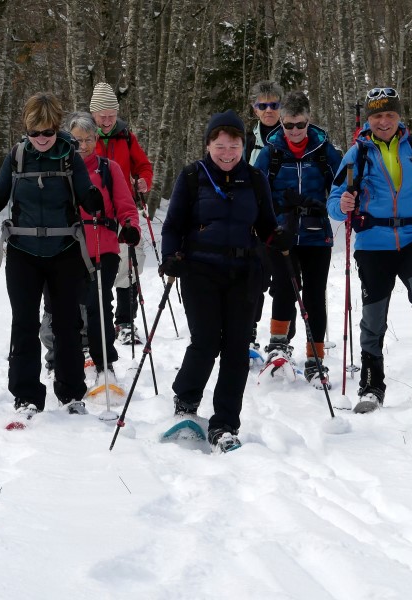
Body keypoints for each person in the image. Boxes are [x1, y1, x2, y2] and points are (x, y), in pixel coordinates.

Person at [160, 109, 289, 451]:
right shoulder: (192, 176)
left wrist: (278, 236)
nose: (227, 153)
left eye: (234, 146)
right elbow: (173, 225)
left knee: (236, 348)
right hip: (199, 271)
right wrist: (170, 256)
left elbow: (266, 225)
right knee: (205, 341)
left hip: (244, 273)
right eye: (220, 145)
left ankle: (225, 424)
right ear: (208, 145)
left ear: (243, 146)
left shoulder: (255, 179)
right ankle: (186, 399)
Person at [0, 92, 102, 417]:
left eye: (47, 132)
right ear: (26, 129)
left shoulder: (69, 158)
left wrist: (92, 199)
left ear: (56, 127)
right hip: (23, 252)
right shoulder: (16, 157)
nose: (41, 139)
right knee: (24, 324)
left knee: (67, 325)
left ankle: (71, 393)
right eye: (34, 132)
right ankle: (26, 396)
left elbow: (85, 194)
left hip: (64, 251)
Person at [327, 86, 412, 411]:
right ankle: (371, 386)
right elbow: (334, 200)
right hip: (373, 245)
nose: (383, 121)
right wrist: (341, 205)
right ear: (368, 120)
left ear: (399, 116)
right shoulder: (356, 154)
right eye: (377, 116)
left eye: (389, 114)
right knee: (373, 318)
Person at [39, 112, 141, 390]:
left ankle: (104, 364)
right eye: (77, 140)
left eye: (88, 140)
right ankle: (60, 361)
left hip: (102, 247)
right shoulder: (58, 168)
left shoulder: (109, 168)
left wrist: (130, 227)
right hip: (64, 249)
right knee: (62, 309)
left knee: (99, 306)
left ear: (96, 139)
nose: (82, 146)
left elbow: (126, 206)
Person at [254, 91, 342, 389]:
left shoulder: (324, 151)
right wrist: (270, 219)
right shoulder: (271, 152)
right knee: (283, 287)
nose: (294, 131)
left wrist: (341, 201)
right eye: (289, 125)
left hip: (317, 234)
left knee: (315, 296)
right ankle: (278, 346)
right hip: (282, 233)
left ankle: (316, 359)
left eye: (300, 124)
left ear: (309, 120)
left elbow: (342, 186)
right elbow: (257, 191)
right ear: (281, 122)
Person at [90, 82, 154, 346]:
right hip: (93, 214)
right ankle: (97, 321)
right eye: (102, 116)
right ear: (93, 114)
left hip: (124, 210)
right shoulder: (84, 136)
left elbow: (143, 165)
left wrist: (144, 181)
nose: (107, 121)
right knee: (97, 266)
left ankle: (125, 322)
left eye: (112, 115)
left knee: (130, 263)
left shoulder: (126, 136)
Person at [244, 80, 284, 360]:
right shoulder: (247, 140)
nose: (269, 110)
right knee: (253, 280)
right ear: (254, 108)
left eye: (274, 104)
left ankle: (281, 341)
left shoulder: (292, 134)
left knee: (283, 281)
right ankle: (247, 334)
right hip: (252, 221)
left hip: (282, 220)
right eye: (263, 105)